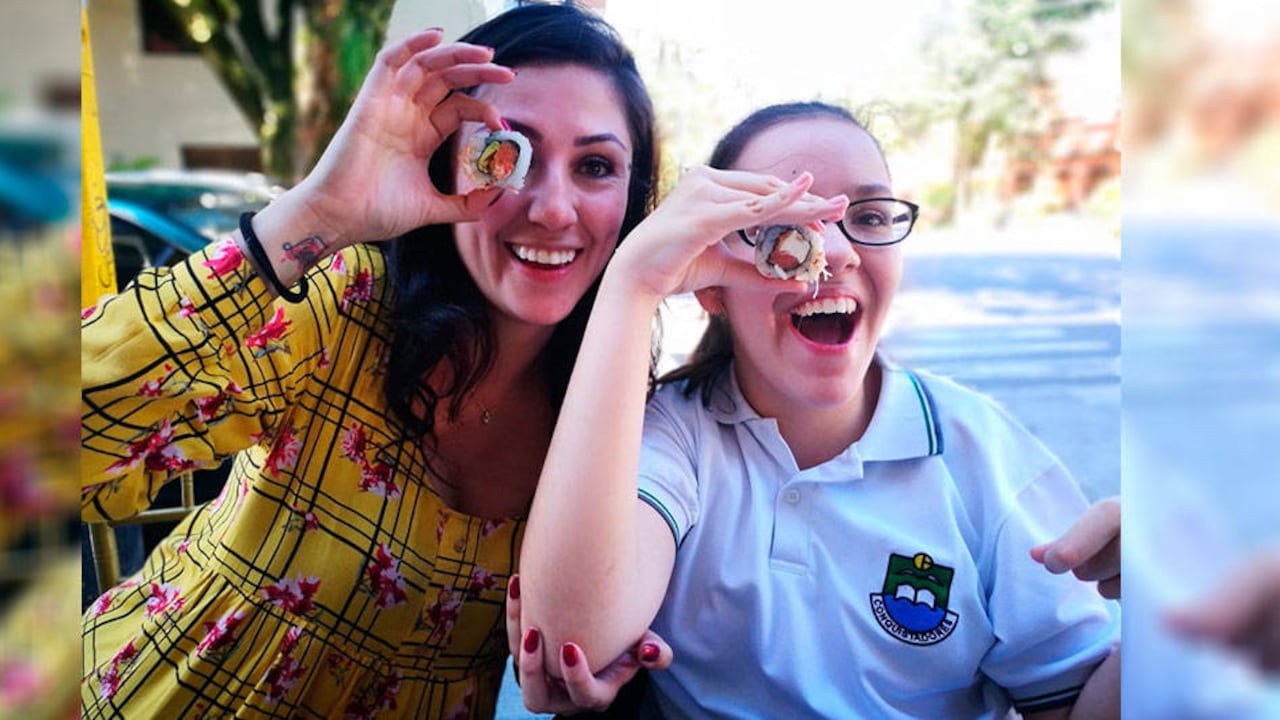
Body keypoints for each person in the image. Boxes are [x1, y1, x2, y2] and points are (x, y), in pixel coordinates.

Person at [79, 4, 669, 717]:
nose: (552, 209)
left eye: (596, 166)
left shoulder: (619, 414)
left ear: (633, 200)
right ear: (448, 160)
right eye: (509, 153)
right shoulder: (346, 305)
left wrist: (592, 679)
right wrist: (317, 213)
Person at [517, 101, 1121, 718]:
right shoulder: (678, 437)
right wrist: (635, 283)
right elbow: (572, 642)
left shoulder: (982, 457)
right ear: (711, 285)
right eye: (783, 225)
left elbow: (1074, 706)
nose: (835, 252)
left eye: (869, 216)